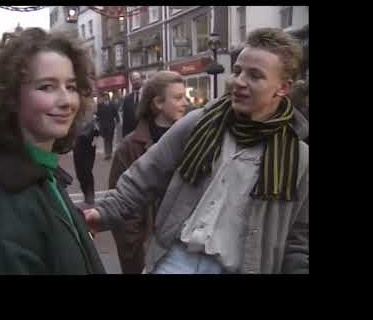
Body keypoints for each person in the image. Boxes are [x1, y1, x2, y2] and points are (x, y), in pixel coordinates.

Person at [85, 27, 309, 274]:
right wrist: (101, 214)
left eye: (255, 76)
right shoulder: (199, 123)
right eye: (237, 71)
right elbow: (143, 178)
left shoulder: (300, 159)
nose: (239, 82)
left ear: (283, 87)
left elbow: (299, 240)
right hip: (173, 262)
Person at [0, 28, 105, 275]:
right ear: (11, 98)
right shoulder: (0, 208)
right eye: (47, 87)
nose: (67, 100)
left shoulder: (43, 174)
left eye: (71, 87)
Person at [109, 70, 188, 274]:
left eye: (184, 96)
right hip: (146, 249)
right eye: (178, 98)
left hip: (184, 249)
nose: (185, 103)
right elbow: (121, 205)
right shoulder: (129, 147)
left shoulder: (194, 139)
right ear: (158, 103)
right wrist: (136, 253)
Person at [73, 69, 100, 205]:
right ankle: (86, 193)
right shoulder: (75, 104)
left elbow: (95, 125)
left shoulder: (91, 105)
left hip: (89, 142)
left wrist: (95, 137)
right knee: (80, 172)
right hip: (78, 142)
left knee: (87, 170)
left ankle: (90, 194)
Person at [96, 92, 119, 160]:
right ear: (103, 97)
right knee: (106, 140)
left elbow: (115, 113)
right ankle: (107, 154)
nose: (105, 97)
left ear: (108, 97)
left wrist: (118, 121)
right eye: (104, 96)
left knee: (110, 139)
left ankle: (110, 153)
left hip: (111, 125)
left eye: (106, 96)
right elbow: (98, 114)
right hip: (103, 126)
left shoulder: (112, 104)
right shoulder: (100, 105)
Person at [122, 71, 143, 137]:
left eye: (137, 79)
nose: (136, 82)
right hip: (131, 135)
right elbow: (125, 120)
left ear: (141, 80)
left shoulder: (148, 95)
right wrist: (124, 136)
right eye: (134, 80)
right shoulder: (127, 99)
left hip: (146, 135)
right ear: (131, 82)